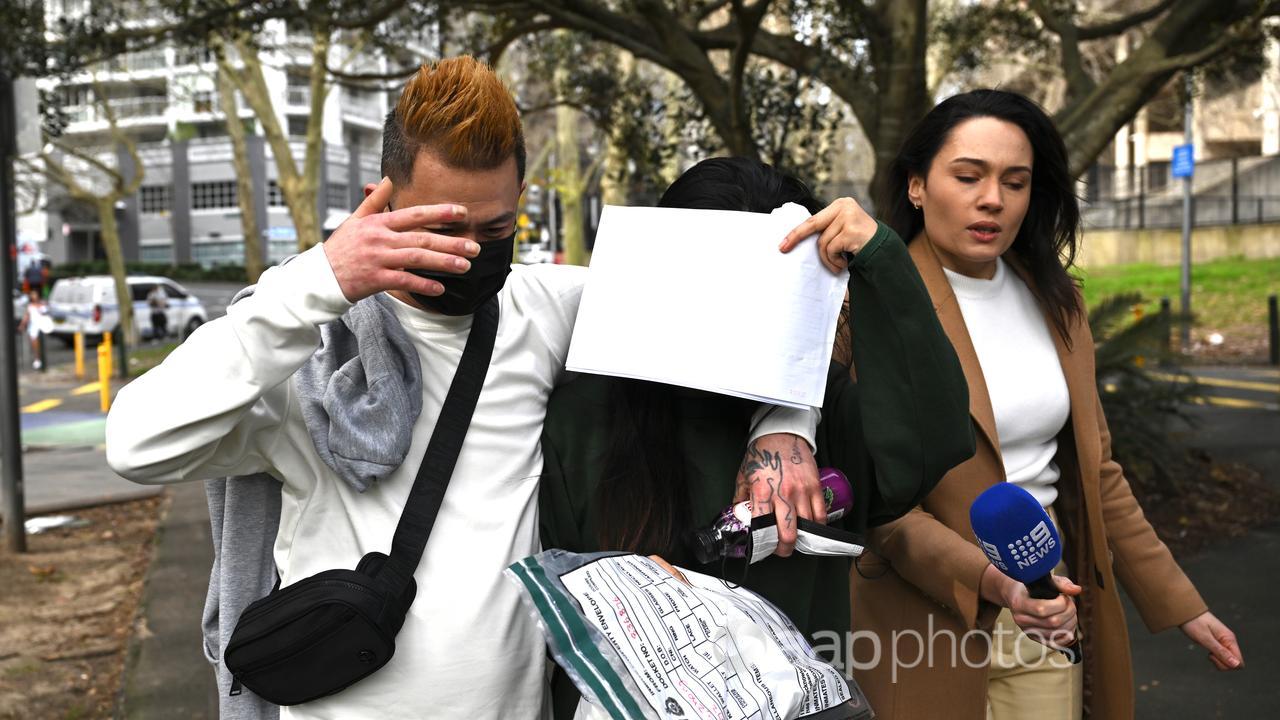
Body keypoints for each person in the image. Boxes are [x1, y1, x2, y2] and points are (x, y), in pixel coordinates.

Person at [105, 57, 819, 720]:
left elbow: (731, 323)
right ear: (379, 202)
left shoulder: (542, 311)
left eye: (497, 226)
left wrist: (783, 424)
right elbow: (137, 444)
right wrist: (320, 281)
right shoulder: (307, 344)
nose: (472, 252)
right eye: (443, 228)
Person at [844, 89, 1242, 719]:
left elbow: (1098, 472)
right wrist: (992, 582)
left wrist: (1181, 604)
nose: (993, 200)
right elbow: (881, 507)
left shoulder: (1057, 302)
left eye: (1016, 181)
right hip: (922, 619)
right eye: (968, 176)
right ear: (917, 185)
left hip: (1045, 606)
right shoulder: (864, 306)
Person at [539, 157, 976, 719]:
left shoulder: (823, 413)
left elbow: (931, 444)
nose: (730, 316)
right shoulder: (586, 412)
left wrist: (881, 258)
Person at [17, 289, 47, 370]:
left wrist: (42, 306)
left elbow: (46, 314)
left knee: (40, 343)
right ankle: (37, 359)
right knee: (34, 344)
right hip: (33, 327)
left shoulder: (42, 304)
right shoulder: (30, 306)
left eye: (35, 294)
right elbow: (26, 316)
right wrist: (22, 325)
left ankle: (41, 359)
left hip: (41, 326)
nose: (34, 296)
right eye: (32, 295)